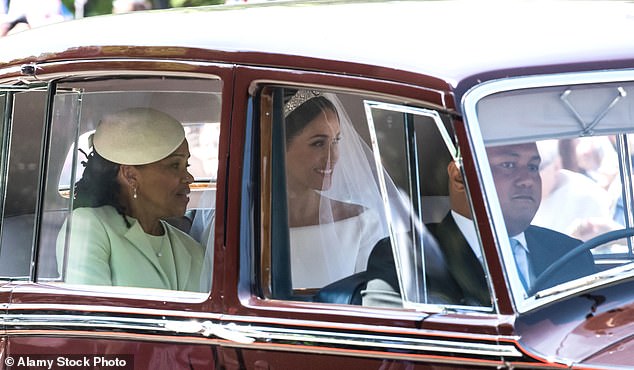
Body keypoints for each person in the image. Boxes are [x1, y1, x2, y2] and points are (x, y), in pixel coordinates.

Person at [362, 142, 596, 307]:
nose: (527, 180)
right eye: (508, 165)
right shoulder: (407, 256)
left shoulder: (571, 253)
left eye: (533, 166)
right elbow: (394, 345)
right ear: (458, 176)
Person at [56, 108, 205, 292]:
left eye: (186, 165)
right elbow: (91, 314)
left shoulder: (191, 248)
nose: (189, 178)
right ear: (130, 175)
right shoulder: (88, 227)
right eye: (175, 165)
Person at [283, 89, 387, 289]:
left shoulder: (362, 223)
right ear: (279, 145)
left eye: (336, 141)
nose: (333, 156)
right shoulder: (243, 225)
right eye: (318, 143)